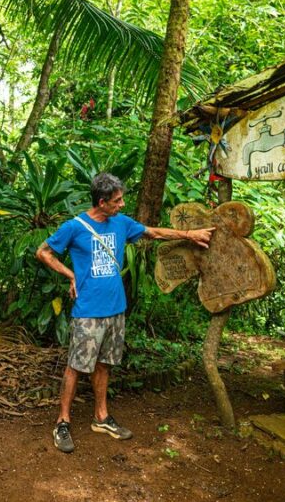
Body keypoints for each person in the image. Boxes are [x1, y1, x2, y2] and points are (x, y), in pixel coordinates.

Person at [36, 172, 214, 453]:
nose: (122, 205)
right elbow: (43, 252)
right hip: (88, 311)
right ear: (102, 201)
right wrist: (70, 274)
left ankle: (101, 416)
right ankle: (63, 421)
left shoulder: (121, 223)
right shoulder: (75, 227)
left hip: (116, 309)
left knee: (105, 363)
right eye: (117, 201)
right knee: (76, 366)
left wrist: (189, 235)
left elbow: (153, 232)